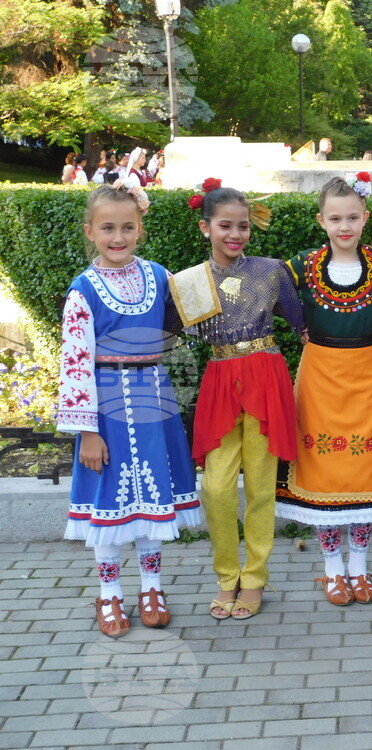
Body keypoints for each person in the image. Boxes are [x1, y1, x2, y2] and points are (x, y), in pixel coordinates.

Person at [58, 182, 200, 638]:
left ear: (139, 229)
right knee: (110, 502)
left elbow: (188, 324)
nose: (117, 237)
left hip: (154, 403)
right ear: (90, 232)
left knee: (152, 498)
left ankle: (152, 587)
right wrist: (89, 431)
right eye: (107, 228)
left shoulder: (159, 276)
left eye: (126, 227)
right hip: (107, 408)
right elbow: (75, 362)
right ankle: (110, 593)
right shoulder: (83, 290)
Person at [276, 174, 372, 607]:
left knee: (362, 466)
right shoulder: (302, 264)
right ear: (321, 220)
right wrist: (299, 323)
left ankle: (359, 565)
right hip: (319, 373)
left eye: (352, 217)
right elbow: (276, 286)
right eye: (335, 218)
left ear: (365, 218)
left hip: (367, 372)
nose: (344, 226)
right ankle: (332, 568)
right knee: (324, 468)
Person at [176, 178, 305, 621]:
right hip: (220, 379)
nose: (235, 234)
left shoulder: (271, 271)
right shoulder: (190, 282)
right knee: (215, 487)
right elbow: (163, 332)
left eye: (244, 226)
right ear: (204, 227)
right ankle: (225, 575)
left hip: (266, 375)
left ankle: (254, 578)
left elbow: (305, 322)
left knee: (261, 486)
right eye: (225, 226)